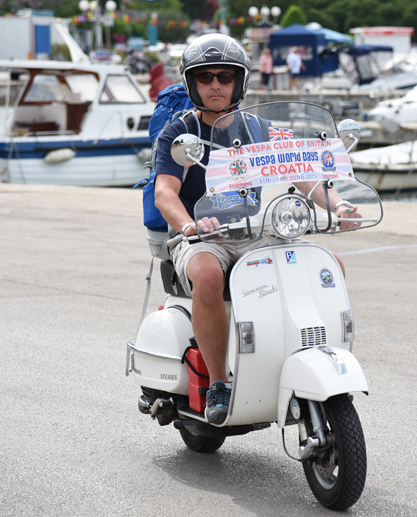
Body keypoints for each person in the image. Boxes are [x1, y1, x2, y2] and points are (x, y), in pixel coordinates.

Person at [153, 34, 359, 424]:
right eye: (206, 77)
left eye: (225, 76)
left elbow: (302, 175)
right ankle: (218, 382)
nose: (216, 84)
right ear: (192, 82)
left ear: (239, 82)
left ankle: (316, 359)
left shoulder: (260, 128)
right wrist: (190, 225)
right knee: (209, 274)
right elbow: (165, 193)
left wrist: (339, 205)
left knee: (328, 264)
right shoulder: (179, 133)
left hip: (254, 230)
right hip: (201, 237)